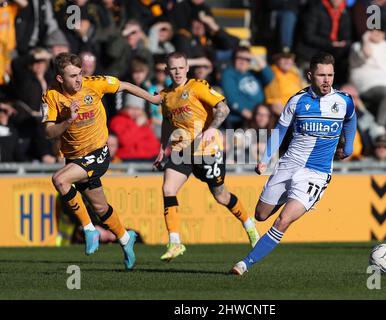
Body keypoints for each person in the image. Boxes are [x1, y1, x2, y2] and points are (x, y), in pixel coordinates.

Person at [230, 52, 357, 275]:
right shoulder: (297, 101)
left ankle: (244, 264)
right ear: (310, 75)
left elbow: (351, 118)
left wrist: (348, 147)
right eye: (321, 75)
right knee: (261, 214)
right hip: (289, 165)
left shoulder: (343, 100)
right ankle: (287, 196)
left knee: (283, 220)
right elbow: (280, 131)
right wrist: (265, 158)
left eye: (330, 75)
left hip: (316, 174)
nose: (326, 80)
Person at [41, 52, 161, 270]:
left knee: (59, 180)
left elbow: (124, 85)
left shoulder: (94, 84)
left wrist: (152, 99)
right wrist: (68, 120)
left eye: (80, 74)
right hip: (75, 158)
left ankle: (89, 230)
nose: (78, 79)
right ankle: (126, 238)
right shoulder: (50, 97)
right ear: (60, 79)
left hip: (98, 152)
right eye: (72, 76)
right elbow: (49, 132)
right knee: (100, 207)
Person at [153, 51, 260, 261]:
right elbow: (167, 123)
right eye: (172, 68)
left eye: (180, 68)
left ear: (187, 68)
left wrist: (211, 129)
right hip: (181, 150)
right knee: (168, 188)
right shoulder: (166, 95)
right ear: (167, 70)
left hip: (207, 151)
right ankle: (175, 242)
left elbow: (223, 108)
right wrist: (162, 148)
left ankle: (249, 225)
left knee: (221, 196)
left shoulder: (198, 86)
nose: (177, 72)